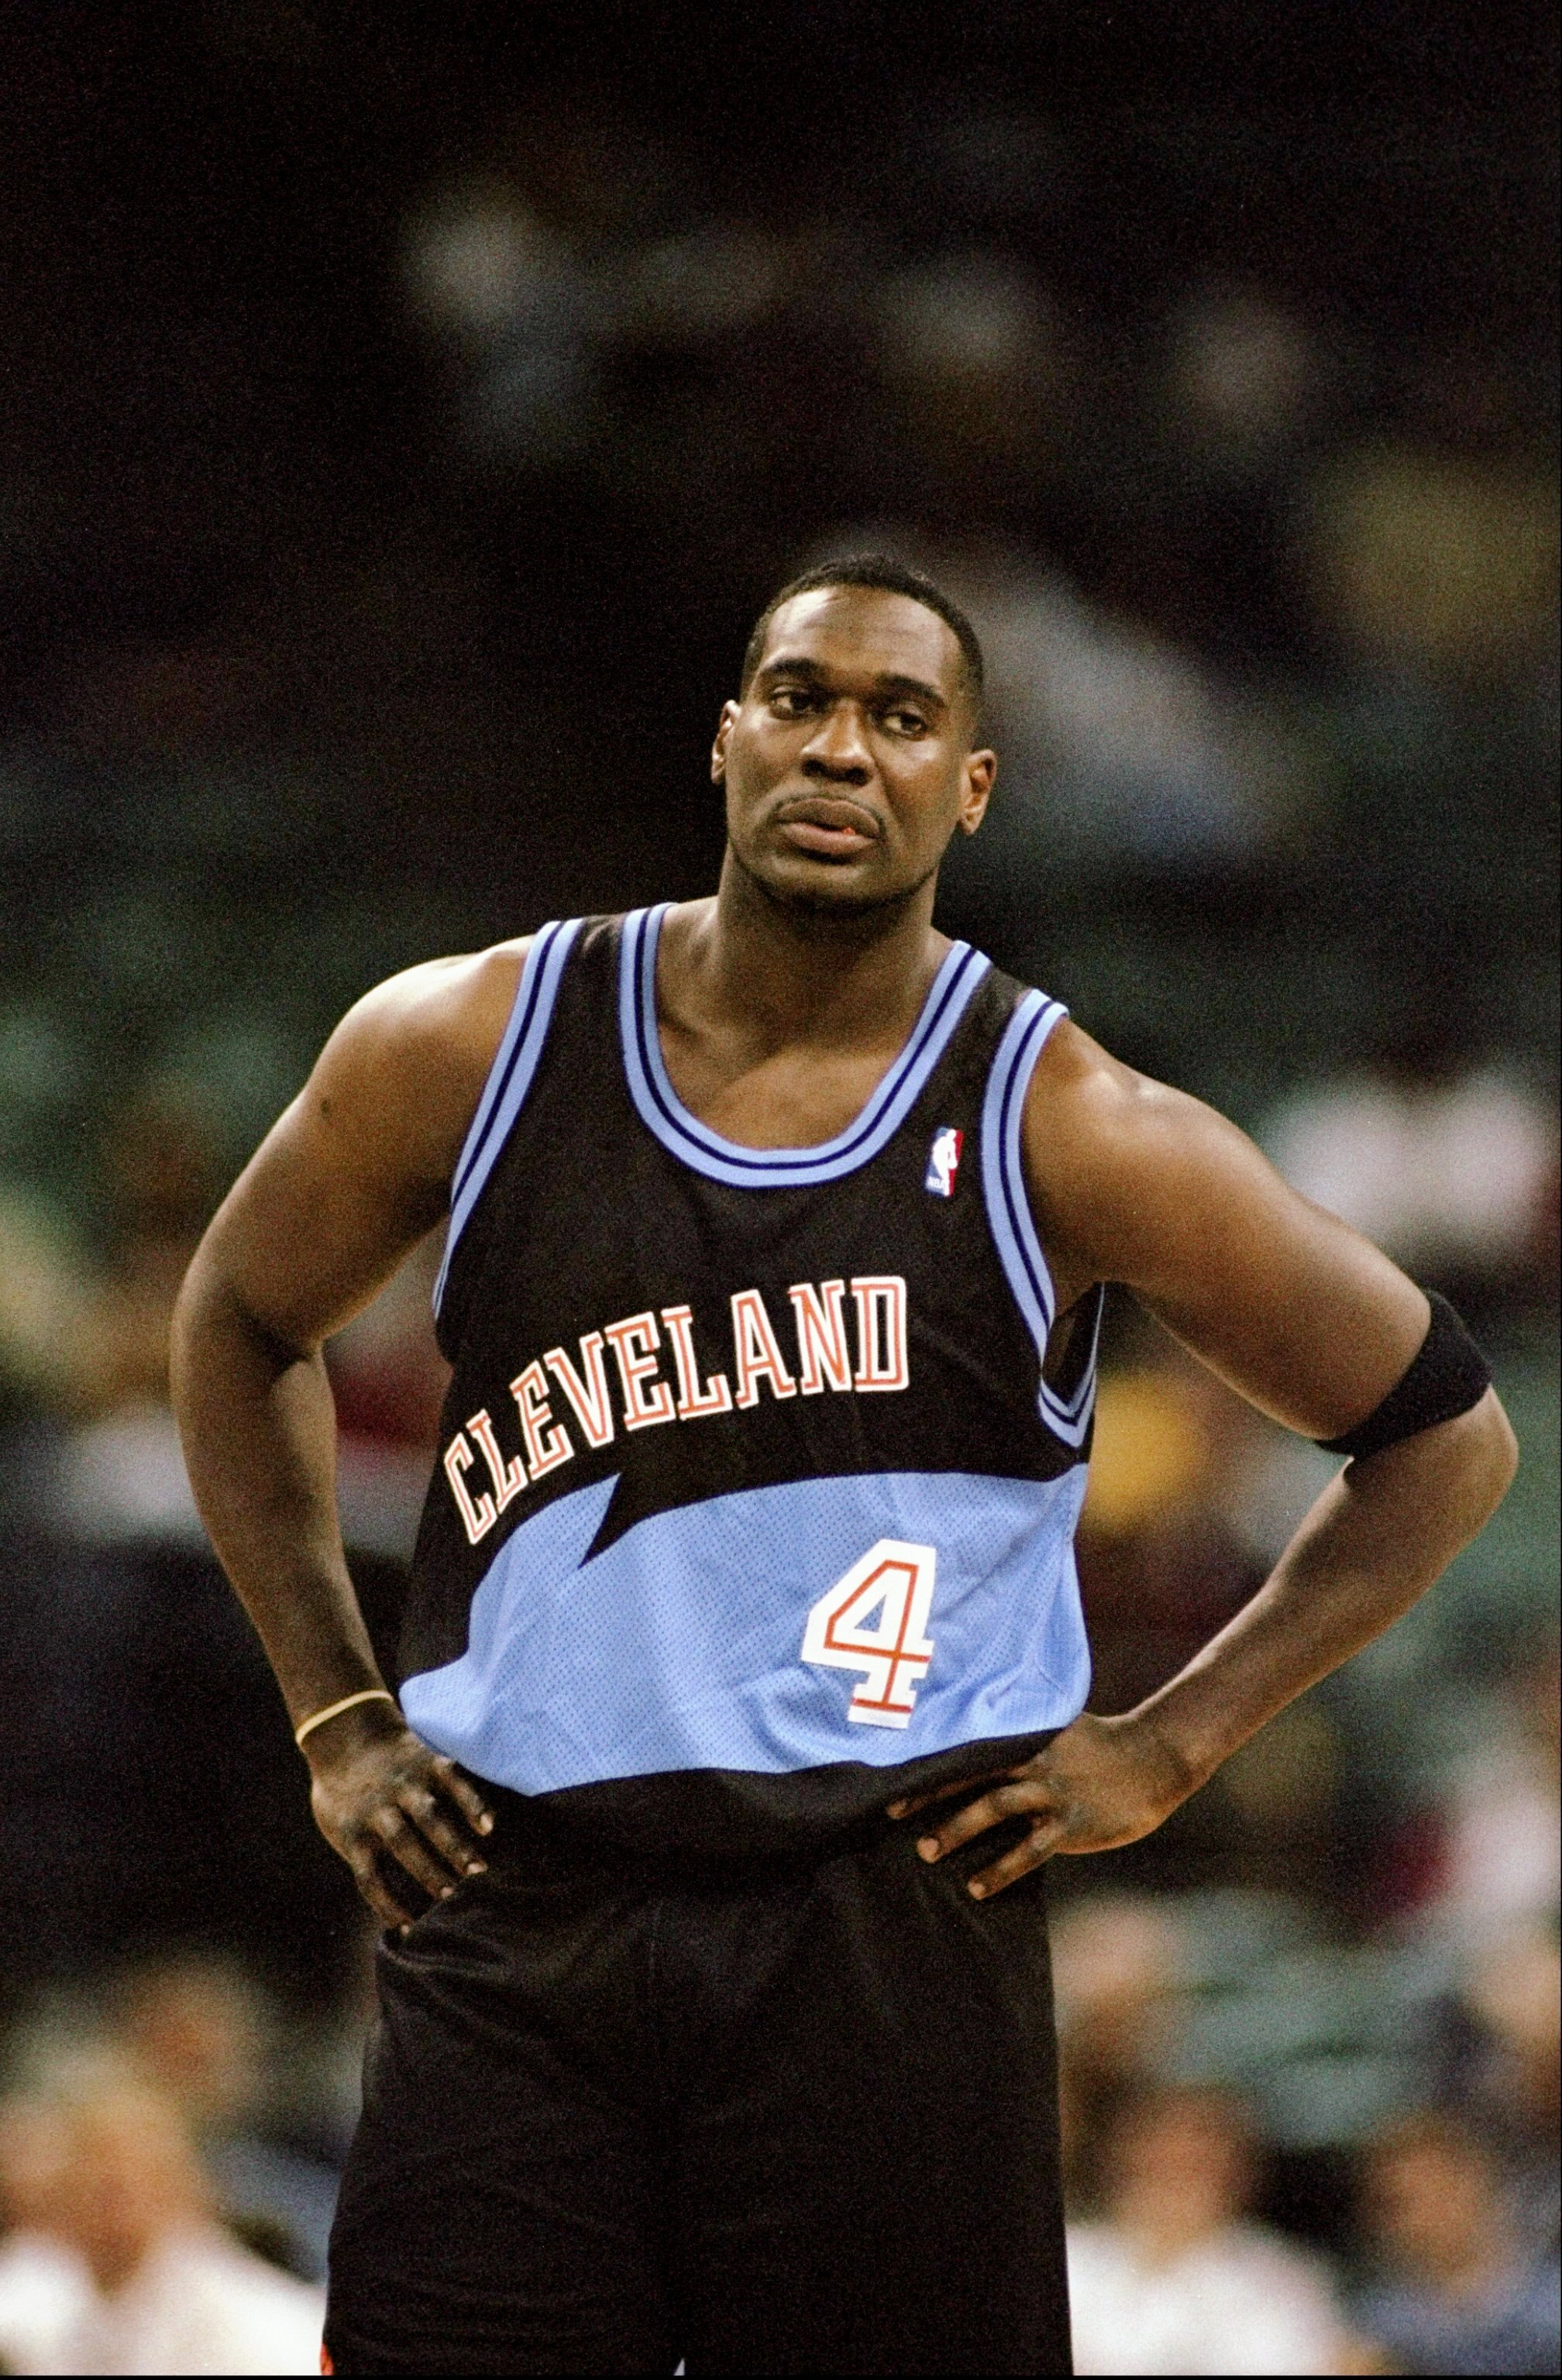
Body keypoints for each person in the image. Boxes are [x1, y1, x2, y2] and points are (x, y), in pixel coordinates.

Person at [170, 555, 1516, 2375]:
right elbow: (238, 1318)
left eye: (900, 716)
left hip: (882, 1926)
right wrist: (336, 1715)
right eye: (799, 699)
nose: (839, 748)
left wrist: (1172, 1741)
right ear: (727, 737)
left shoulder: (1072, 1125)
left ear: (971, 787)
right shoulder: (468, 1041)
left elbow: (1445, 1437)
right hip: (515, 1904)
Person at [5, 2072, 324, 2376]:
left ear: (183, 2187)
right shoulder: (43, 2284)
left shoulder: (255, 2322)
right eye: (87, 2171)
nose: (106, 2204)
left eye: (121, 2186)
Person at [1065, 2086, 1352, 2376]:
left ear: (1239, 2174)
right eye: (1162, 2160)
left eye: (1198, 2164)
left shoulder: (1284, 2278)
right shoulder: (1070, 2259)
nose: (1177, 2179)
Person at [1354, 2111, 1560, 2376]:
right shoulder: (1385, 2324)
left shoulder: (1550, 2303)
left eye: (1436, 2194)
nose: (1420, 2220)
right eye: (1403, 2204)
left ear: (1474, 2184)